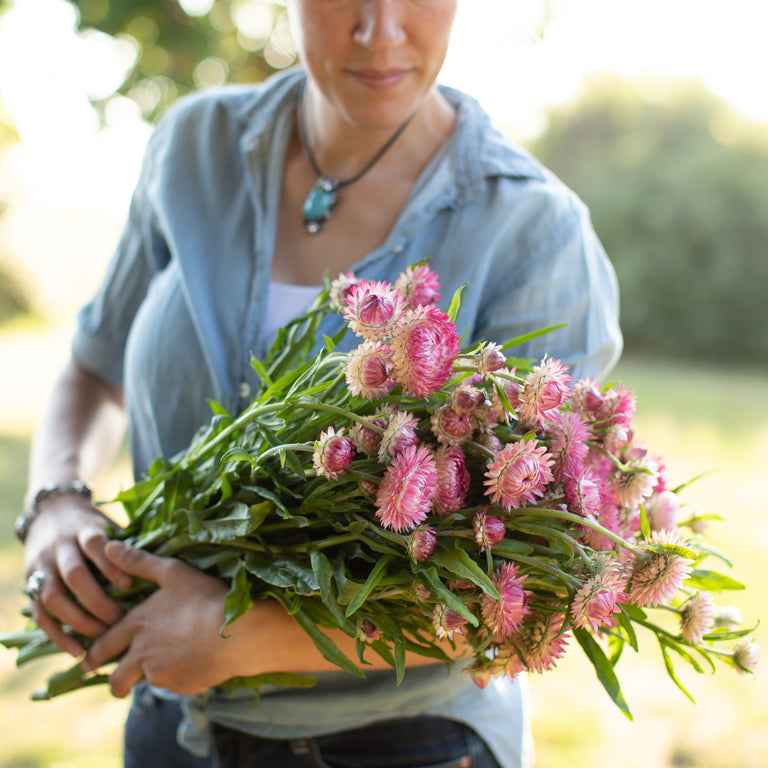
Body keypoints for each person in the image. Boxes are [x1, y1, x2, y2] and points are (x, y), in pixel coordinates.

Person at [17, 1, 622, 766]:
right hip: (168, 721)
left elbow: (527, 588)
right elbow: (95, 367)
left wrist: (241, 634)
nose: (380, 30)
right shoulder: (192, 146)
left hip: (403, 745)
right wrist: (56, 501)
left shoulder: (535, 230)